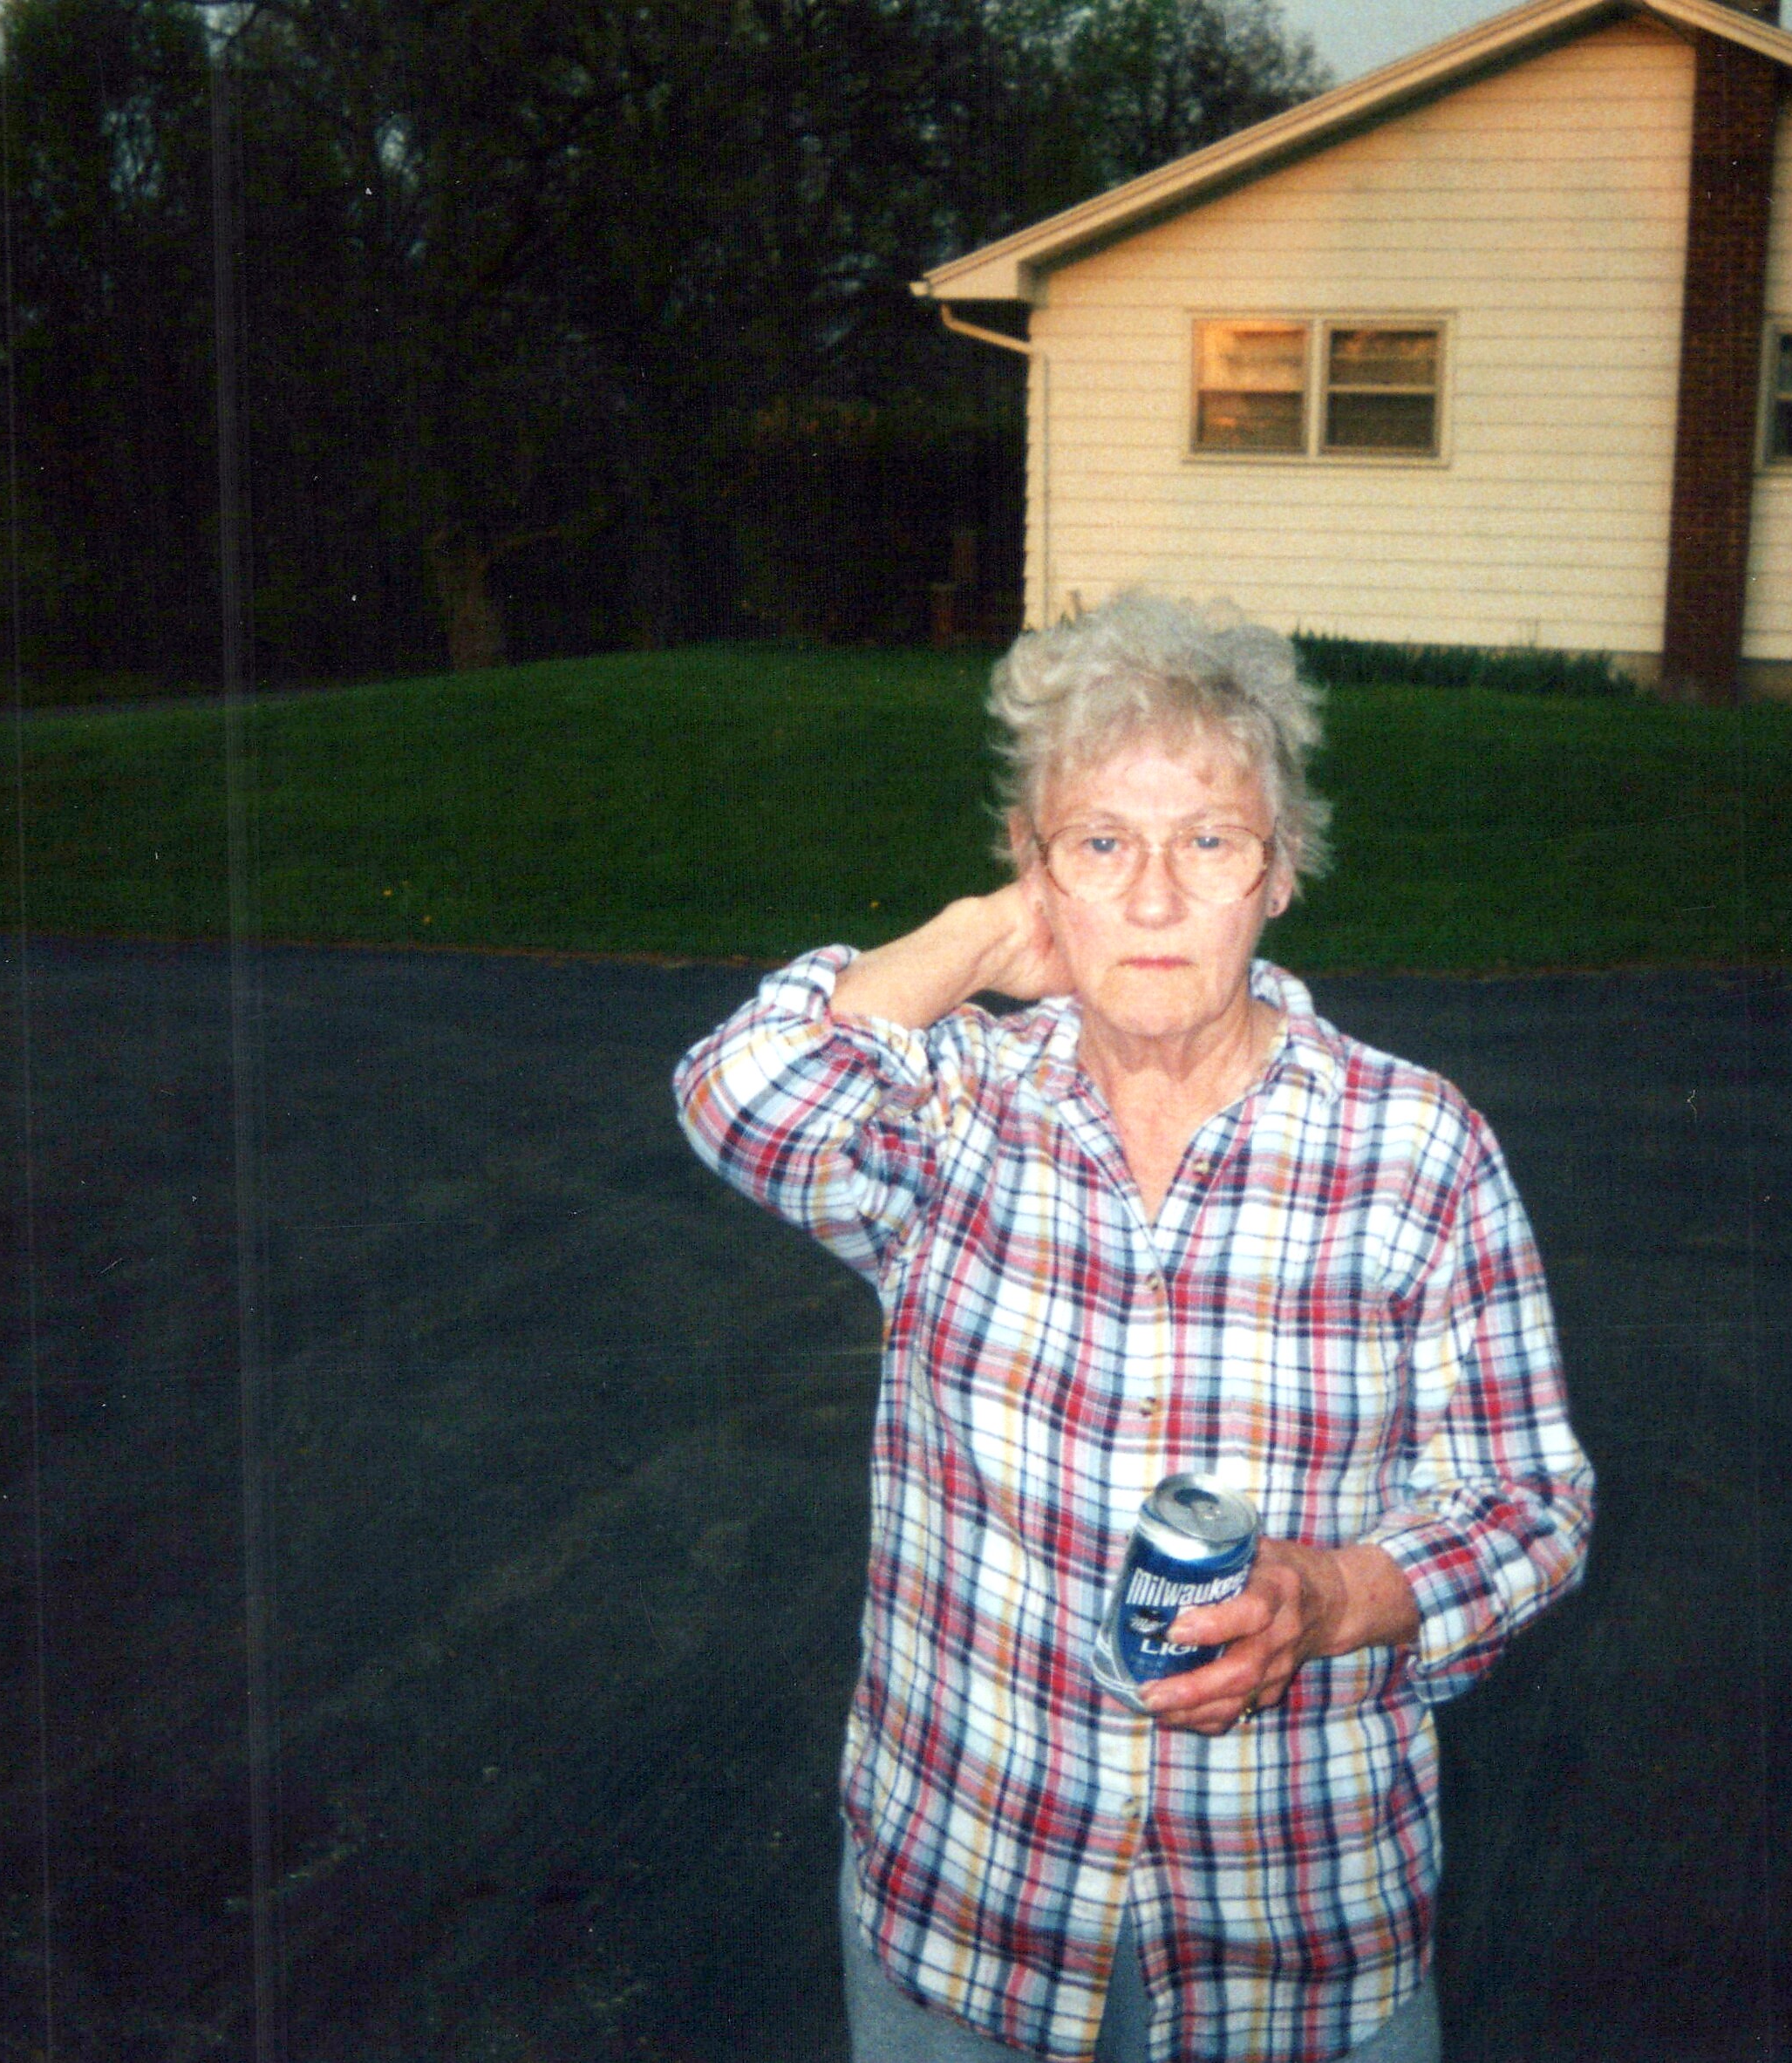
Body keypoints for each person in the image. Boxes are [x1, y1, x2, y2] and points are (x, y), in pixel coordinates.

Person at [672, 593, 1592, 2063]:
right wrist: (980, 938)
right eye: (1102, 844)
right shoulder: (957, 1111)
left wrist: (1329, 1597)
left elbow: (1529, 1505)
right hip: (965, 1908)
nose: (1155, 899)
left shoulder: (1415, 1147)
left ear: (1280, 871)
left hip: (1294, 1931)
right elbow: (739, 1092)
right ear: (1035, 868)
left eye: (1209, 841)